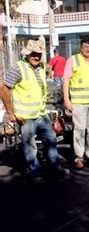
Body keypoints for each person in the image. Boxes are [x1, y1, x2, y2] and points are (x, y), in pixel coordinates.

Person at [0, 39, 70, 183]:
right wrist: (10, 113)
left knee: (51, 141)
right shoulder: (19, 68)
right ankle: (35, 174)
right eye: (33, 53)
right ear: (26, 54)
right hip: (25, 117)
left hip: (40, 113)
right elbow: (4, 88)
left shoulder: (41, 67)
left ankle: (55, 168)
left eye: (38, 54)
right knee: (30, 147)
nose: (36, 56)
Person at [63, 38, 89, 169]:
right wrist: (66, 100)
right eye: (86, 47)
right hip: (79, 102)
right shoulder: (73, 60)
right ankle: (79, 157)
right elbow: (66, 81)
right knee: (79, 130)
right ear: (81, 47)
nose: (88, 49)